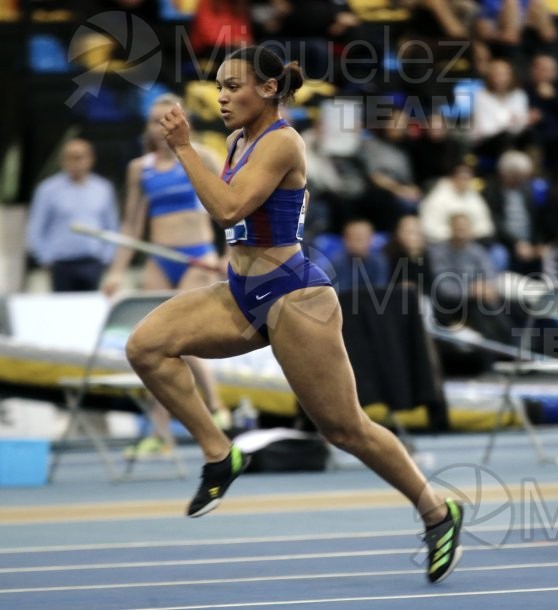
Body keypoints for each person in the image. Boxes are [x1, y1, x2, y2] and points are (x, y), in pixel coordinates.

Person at [129, 45, 462, 583]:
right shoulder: (238, 140)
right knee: (145, 347)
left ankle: (436, 511)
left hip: (293, 298)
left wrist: (185, 148)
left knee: (346, 429)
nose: (221, 97)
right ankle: (220, 454)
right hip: (241, 292)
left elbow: (230, 207)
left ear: (266, 89)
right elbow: (234, 213)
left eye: (232, 86)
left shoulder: (282, 142)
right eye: (216, 87)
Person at [101, 94, 231, 457]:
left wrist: (228, 254)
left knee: (182, 341)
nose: (162, 127)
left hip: (197, 259)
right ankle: (160, 434)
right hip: (160, 260)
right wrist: (116, 272)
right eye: (155, 120)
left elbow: (233, 204)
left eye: (168, 118)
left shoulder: (201, 156)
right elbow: (131, 225)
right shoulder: (139, 168)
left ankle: (217, 408)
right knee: (155, 345)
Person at [26, 138, 118, 292]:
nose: (76, 162)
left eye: (80, 156)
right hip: (61, 264)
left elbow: (112, 226)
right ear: (63, 160)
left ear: (90, 159)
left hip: (93, 263)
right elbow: (36, 228)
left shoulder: (103, 189)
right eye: (71, 157)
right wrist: (45, 258)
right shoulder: (47, 190)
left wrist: (106, 257)